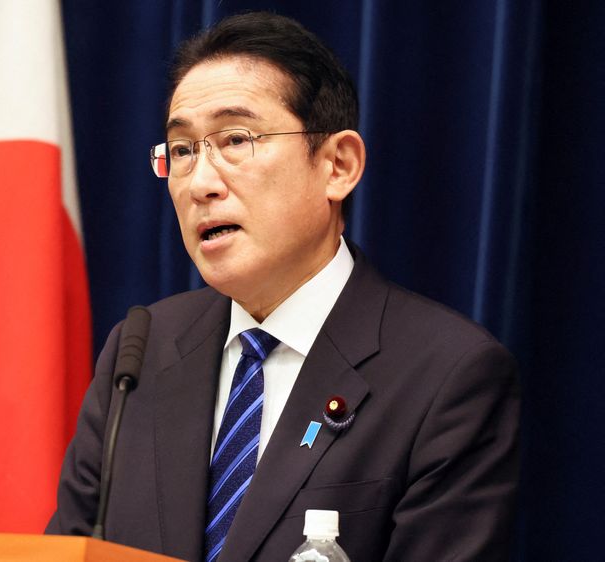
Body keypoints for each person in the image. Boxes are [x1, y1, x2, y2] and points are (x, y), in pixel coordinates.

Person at [46, 11, 519, 562]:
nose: (200, 183)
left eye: (236, 139)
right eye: (181, 150)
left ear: (337, 165)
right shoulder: (141, 353)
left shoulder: (447, 376)